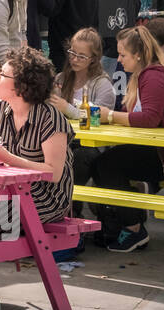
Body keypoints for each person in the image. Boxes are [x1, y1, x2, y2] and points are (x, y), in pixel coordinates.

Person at [0, 48, 74, 310]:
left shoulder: (51, 118)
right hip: (12, 191)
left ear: (22, 86)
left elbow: (54, 174)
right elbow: (1, 156)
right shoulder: (1, 110)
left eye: (2, 74)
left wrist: (3, 157)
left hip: (48, 197)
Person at [92, 26, 164, 252]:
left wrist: (109, 115)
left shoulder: (153, 75)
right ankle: (128, 216)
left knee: (106, 165)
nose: (119, 60)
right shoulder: (149, 73)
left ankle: (133, 228)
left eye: (123, 55)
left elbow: (149, 118)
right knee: (106, 163)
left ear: (138, 55)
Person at [49, 28, 116, 209]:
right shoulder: (62, 78)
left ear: (93, 59)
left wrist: (67, 108)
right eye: (72, 53)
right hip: (66, 139)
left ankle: (70, 210)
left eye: (81, 56)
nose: (74, 59)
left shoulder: (102, 83)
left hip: (93, 145)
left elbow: (99, 119)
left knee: (76, 159)